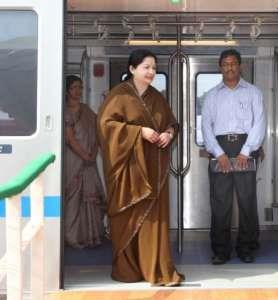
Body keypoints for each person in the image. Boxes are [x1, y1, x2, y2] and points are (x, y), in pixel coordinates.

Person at [97, 49, 184, 286]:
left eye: (154, 68)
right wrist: (139, 132)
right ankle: (128, 269)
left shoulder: (157, 97)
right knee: (126, 216)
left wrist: (169, 133)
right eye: (146, 67)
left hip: (153, 171)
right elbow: (105, 126)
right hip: (128, 172)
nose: (152, 72)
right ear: (132, 69)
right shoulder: (119, 95)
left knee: (153, 221)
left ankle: (153, 267)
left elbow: (172, 123)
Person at [201, 49, 266, 265]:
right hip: (220, 148)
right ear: (220, 67)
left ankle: (247, 247)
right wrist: (218, 153)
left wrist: (246, 151)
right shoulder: (212, 95)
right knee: (221, 203)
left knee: (247, 201)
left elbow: (259, 123)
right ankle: (221, 250)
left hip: (245, 147)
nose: (230, 67)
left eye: (233, 63)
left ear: (240, 66)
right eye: (225, 64)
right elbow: (206, 126)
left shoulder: (253, 93)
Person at [64, 75, 106, 249]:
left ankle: (91, 236)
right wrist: (85, 155)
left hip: (89, 159)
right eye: (74, 87)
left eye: (80, 87)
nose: (78, 91)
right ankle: (72, 237)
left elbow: (97, 128)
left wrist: (94, 152)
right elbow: (70, 139)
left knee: (91, 198)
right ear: (67, 90)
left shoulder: (86, 109)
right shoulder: (65, 111)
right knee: (74, 198)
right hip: (74, 160)